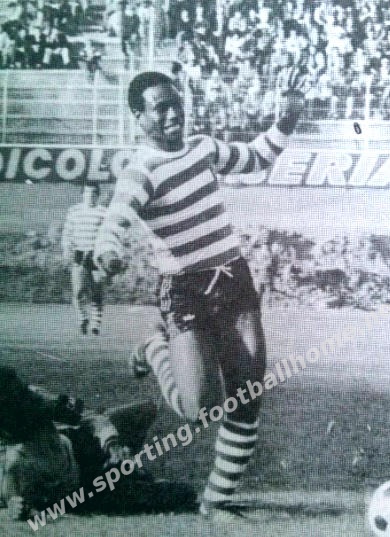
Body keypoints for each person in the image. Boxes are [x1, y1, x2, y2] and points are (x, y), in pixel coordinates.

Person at [94, 70, 305, 518]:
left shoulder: (203, 147)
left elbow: (255, 157)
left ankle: (216, 501)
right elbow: (115, 221)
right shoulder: (140, 171)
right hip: (185, 291)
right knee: (199, 410)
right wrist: (108, 253)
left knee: (247, 395)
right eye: (160, 108)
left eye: (176, 104)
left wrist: (285, 121)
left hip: (233, 280)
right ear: (139, 118)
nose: (173, 114)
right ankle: (154, 347)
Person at [0, 366, 196, 521]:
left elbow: (91, 417)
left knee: (143, 410)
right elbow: (12, 488)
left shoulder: (33, 397)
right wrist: (15, 504)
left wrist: (113, 446)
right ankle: (132, 478)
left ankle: (129, 468)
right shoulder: (12, 459)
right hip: (79, 489)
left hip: (76, 447)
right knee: (178, 494)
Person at [62, 183, 107, 335]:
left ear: (97, 195)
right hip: (80, 254)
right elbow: (67, 233)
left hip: (96, 255)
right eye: (87, 192)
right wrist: (67, 248)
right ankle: (82, 319)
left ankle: (95, 325)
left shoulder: (103, 212)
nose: (90, 196)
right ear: (82, 194)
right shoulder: (74, 211)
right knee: (78, 290)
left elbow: (107, 233)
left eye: (93, 193)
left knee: (97, 290)